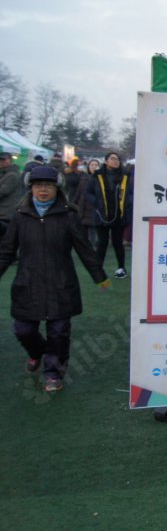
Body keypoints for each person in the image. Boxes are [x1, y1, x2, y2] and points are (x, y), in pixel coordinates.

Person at [0, 166, 109, 392]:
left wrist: (99, 276)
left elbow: (84, 248)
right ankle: (37, 353)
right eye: (38, 186)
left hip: (61, 283)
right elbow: (7, 250)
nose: (43, 190)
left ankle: (53, 373)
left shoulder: (68, 215)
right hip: (27, 283)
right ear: (30, 188)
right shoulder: (20, 216)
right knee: (23, 330)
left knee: (58, 333)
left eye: (48, 186)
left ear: (56, 188)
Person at [86, 152, 132, 278]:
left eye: (117, 159)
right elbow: (88, 193)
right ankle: (98, 269)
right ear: (106, 161)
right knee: (102, 243)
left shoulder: (126, 176)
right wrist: (96, 203)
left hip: (119, 214)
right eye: (112, 159)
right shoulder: (97, 175)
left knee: (118, 242)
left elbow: (132, 192)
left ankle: (121, 268)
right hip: (102, 215)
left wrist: (128, 202)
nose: (115, 161)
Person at [0, 151, 22, 238]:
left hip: (5, 214)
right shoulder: (4, 174)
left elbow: (2, 191)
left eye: (4, 160)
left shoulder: (12, 175)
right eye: (0, 160)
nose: (1, 162)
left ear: (10, 160)